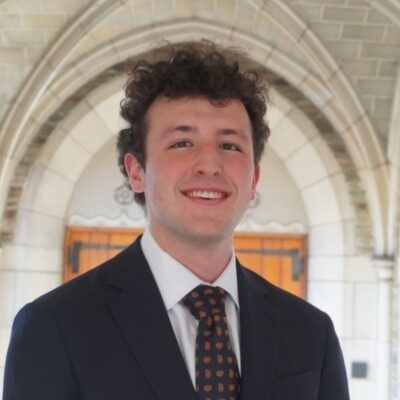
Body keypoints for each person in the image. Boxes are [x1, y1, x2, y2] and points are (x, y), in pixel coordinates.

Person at [3, 41, 350, 400]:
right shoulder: (55, 327)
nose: (209, 165)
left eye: (230, 146)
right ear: (137, 172)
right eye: (182, 143)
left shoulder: (311, 332)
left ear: (253, 181)